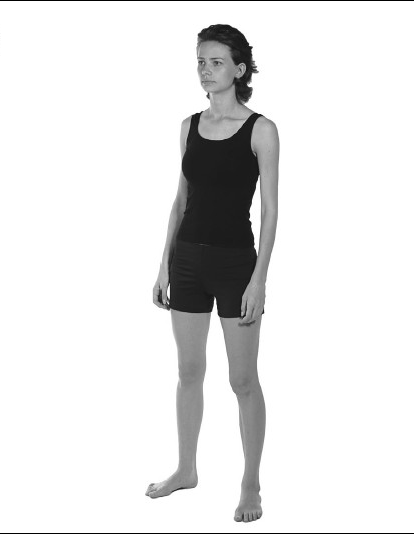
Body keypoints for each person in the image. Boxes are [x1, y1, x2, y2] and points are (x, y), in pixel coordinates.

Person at [148, 23, 279, 523]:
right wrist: (164, 264)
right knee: (188, 371)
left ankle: (251, 484)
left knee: (242, 380)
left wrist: (259, 279)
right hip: (187, 262)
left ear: (240, 69)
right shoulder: (188, 126)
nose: (205, 69)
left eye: (216, 62)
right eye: (201, 61)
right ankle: (186, 469)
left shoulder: (261, 130)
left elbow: (270, 211)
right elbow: (181, 200)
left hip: (235, 265)